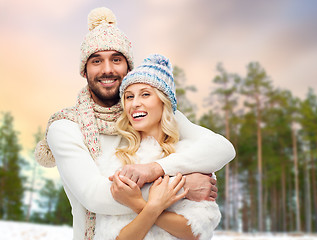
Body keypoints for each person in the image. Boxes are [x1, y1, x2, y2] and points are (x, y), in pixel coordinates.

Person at [35, 7, 235, 240]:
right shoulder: (66, 127)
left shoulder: (147, 114)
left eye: (116, 59)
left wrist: (155, 170)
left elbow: (222, 148)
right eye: (96, 61)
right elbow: (95, 196)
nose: (107, 69)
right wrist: (183, 186)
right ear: (84, 70)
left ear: (128, 67)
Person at [94, 54, 223, 240]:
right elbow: (115, 237)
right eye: (129, 97)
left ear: (164, 102)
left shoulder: (191, 156)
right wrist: (154, 205)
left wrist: (138, 204)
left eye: (145, 94)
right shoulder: (116, 160)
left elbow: (195, 232)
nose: (135, 103)